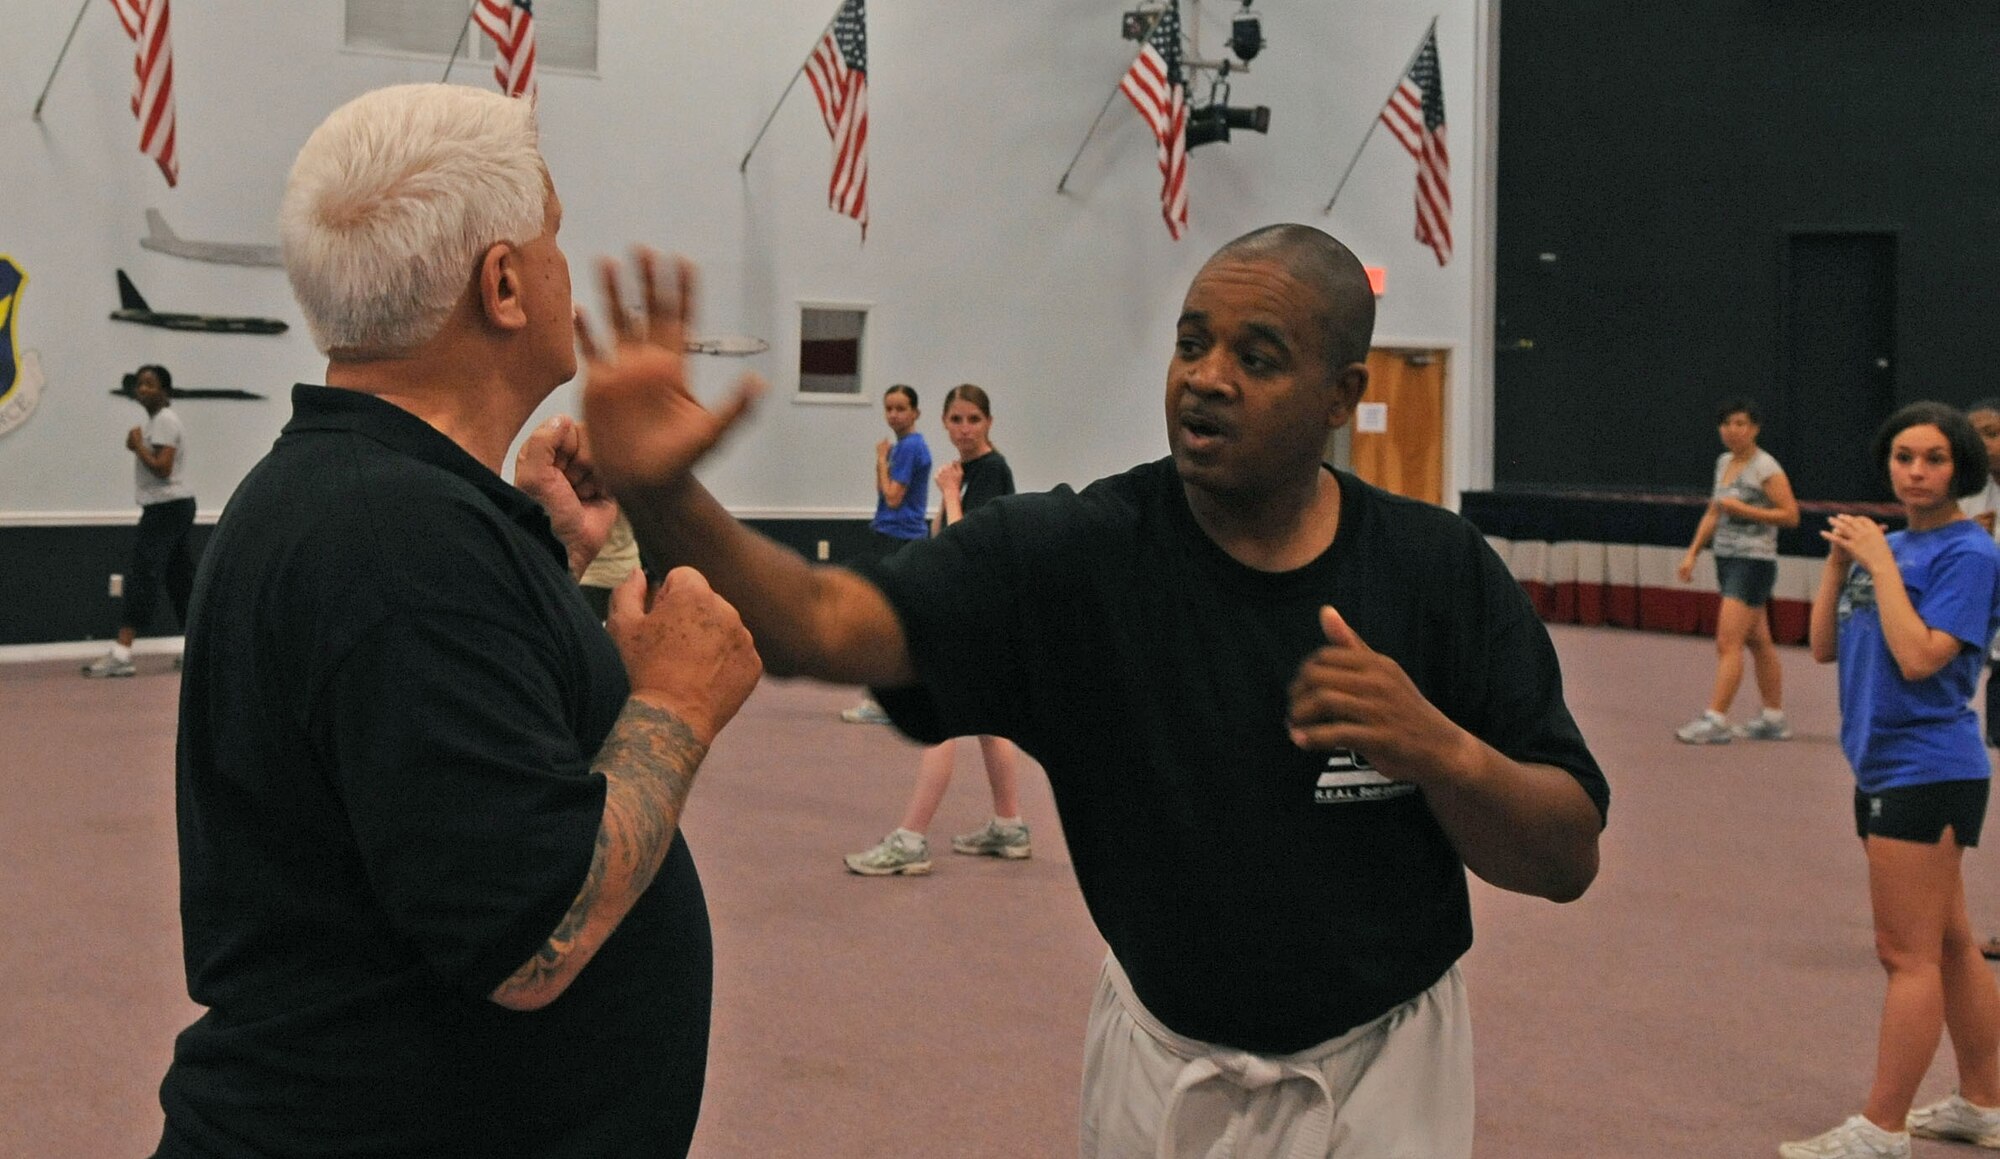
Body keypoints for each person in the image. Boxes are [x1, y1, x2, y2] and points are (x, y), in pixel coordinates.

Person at [576, 225, 1609, 1158]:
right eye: (1190, 342)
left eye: (1256, 358)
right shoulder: (1077, 559)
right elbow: (823, 622)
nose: (1205, 379)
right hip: (1161, 1064)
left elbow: (1563, 854)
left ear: (1341, 397)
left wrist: (1441, 750)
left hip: (1388, 1072)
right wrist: (665, 492)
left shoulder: (1435, 571)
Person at [151, 84, 762, 1158]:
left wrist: (544, 550)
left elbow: (425, 741)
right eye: (555, 235)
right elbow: (527, 941)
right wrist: (674, 704)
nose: (568, 263)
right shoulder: (398, 540)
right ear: (504, 284)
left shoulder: (363, 502)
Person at [1788, 402, 2000, 1159]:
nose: (1916, 471)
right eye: (1904, 456)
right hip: (1880, 761)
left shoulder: (1968, 554)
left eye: (1934, 458)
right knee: (1949, 943)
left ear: (1961, 467)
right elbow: (1819, 647)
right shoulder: (1895, 544)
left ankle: (1882, 1127)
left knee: (1903, 952)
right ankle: (1984, 1103)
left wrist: (1879, 563)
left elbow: (1920, 658)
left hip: (1929, 766)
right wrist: (1844, 562)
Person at [845, 383, 1031, 875]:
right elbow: (944, 540)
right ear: (945, 423)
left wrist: (949, 494)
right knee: (990, 725)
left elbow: (975, 543)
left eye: (973, 419)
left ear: (989, 422)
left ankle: (910, 839)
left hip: (978, 615)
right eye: (956, 420)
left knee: (941, 721)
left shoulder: (991, 471)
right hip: (968, 610)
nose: (964, 429)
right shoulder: (962, 471)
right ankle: (1009, 826)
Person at [1674, 397, 1800, 743]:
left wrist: (1746, 511)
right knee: (1759, 642)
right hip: (1726, 560)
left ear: (1755, 428)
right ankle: (1774, 719)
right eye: (1727, 424)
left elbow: (1791, 515)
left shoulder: (1766, 468)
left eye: (1741, 424)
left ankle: (1716, 719)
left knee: (1728, 642)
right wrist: (1692, 553)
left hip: (1753, 563)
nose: (1733, 431)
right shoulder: (1723, 462)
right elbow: (1714, 512)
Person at [83, 364, 194, 678]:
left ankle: (122, 653)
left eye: (150, 384)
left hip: (166, 508)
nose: (142, 389)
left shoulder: (164, 421)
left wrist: (138, 447)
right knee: (181, 580)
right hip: (173, 507)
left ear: (166, 392)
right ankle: (197, 649)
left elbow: (163, 468)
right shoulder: (157, 421)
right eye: (139, 384)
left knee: (143, 575)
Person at [841, 383, 932, 725]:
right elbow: (886, 490)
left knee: (885, 618)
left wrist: (880, 458)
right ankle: (886, 699)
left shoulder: (909, 448)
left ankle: (882, 701)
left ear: (915, 413)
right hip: (890, 535)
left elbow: (893, 497)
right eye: (889, 408)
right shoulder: (901, 447)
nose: (894, 414)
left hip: (899, 538)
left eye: (901, 408)